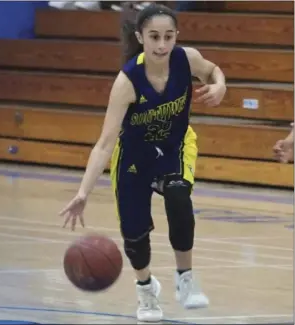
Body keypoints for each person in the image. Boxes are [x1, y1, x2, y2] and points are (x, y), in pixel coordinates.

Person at [60, 2, 226, 322]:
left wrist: (220, 84)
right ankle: (146, 290)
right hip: (134, 158)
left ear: (176, 36)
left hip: (175, 146)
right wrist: (83, 192)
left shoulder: (186, 59)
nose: (162, 45)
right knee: (135, 237)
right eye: (154, 37)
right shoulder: (127, 81)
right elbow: (105, 143)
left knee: (179, 198)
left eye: (168, 36)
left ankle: (185, 280)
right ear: (141, 37)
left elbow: (213, 70)